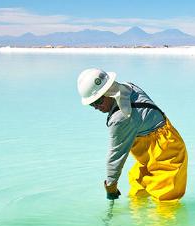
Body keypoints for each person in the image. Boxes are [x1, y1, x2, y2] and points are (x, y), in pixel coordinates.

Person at [77, 68, 188, 201]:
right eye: (92, 104)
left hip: (168, 151)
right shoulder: (128, 86)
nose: (96, 107)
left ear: (109, 92)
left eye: (98, 101)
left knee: (165, 202)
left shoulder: (120, 118)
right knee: (137, 194)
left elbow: (116, 155)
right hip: (149, 151)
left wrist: (111, 186)